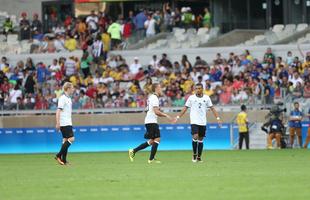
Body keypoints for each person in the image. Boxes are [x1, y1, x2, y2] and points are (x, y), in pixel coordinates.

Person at [174, 83, 222, 162]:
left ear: (202, 89)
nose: (197, 90)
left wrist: (218, 118)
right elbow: (185, 108)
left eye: (199, 88)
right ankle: (194, 154)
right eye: (196, 88)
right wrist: (178, 117)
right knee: (195, 136)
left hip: (203, 122)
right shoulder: (191, 98)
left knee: (201, 139)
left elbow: (212, 108)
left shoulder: (206, 98)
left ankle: (199, 157)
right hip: (194, 121)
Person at [129, 83, 173, 164]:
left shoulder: (151, 97)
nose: (161, 89)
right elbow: (156, 112)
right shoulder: (155, 98)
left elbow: (147, 110)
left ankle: (133, 151)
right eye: (160, 87)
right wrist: (166, 115)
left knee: (152, 140)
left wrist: (156, 110)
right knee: (157, 139)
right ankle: (151, 159)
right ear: (156, 88)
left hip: (150, 121)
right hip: (151, 121)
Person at [55, 82, 75, 165]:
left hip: (68, 122)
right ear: (68, 88)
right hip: (64, 123)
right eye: (72, 88)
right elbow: (58, 110)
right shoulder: (62, 98)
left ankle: (64, 160)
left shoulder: (69, 99)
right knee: (71, 139)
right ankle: (58, 155)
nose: (73, 89)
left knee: (65, 140)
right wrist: (58, 122)